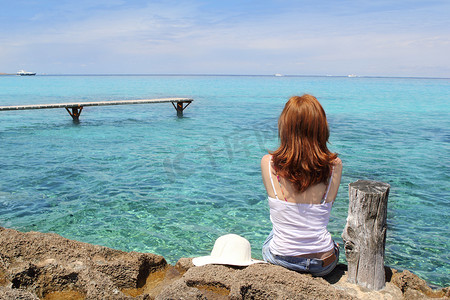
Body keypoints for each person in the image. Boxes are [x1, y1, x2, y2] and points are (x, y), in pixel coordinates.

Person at [261, 94, 342, 277]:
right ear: (321, 127)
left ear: (285, 127)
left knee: (273, 234)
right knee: (330, 241)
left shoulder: (268, 163)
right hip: (322, 264)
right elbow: (326, 209)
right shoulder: (334, 165)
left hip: (282, 260)